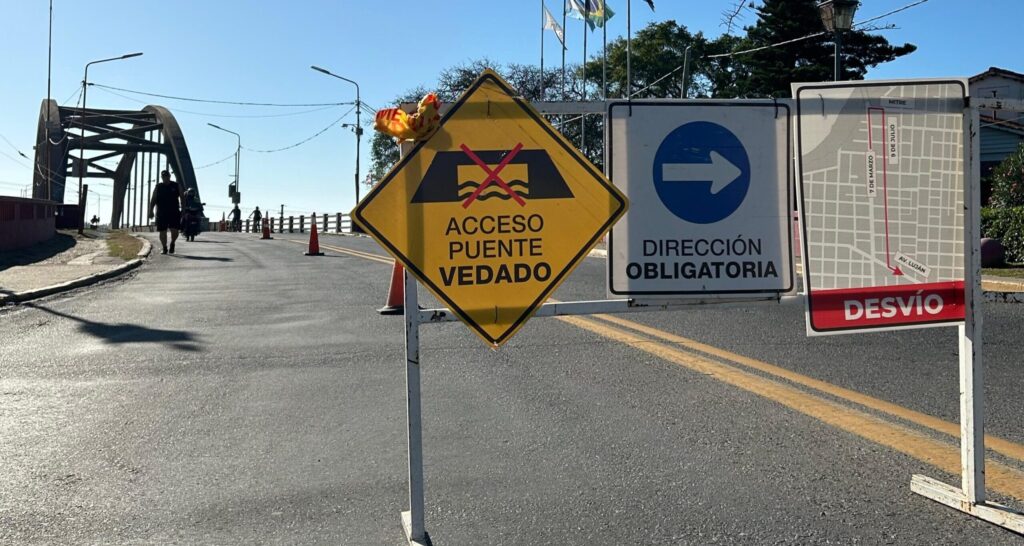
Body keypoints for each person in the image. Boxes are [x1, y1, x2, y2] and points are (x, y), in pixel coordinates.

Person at [148, 170, 183, 254]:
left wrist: (184, 209)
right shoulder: (158, 187)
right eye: (163, 176)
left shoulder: (176, 185)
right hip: (161, 212)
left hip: (174, 211)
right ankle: (164, 247)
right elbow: (153, 199)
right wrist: (151, 210)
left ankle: (172, 243)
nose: (165, 178)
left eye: (166, 176)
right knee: (162, 231)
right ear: (162, 177)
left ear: (169, 176)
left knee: (175, 231)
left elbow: (182, 197)